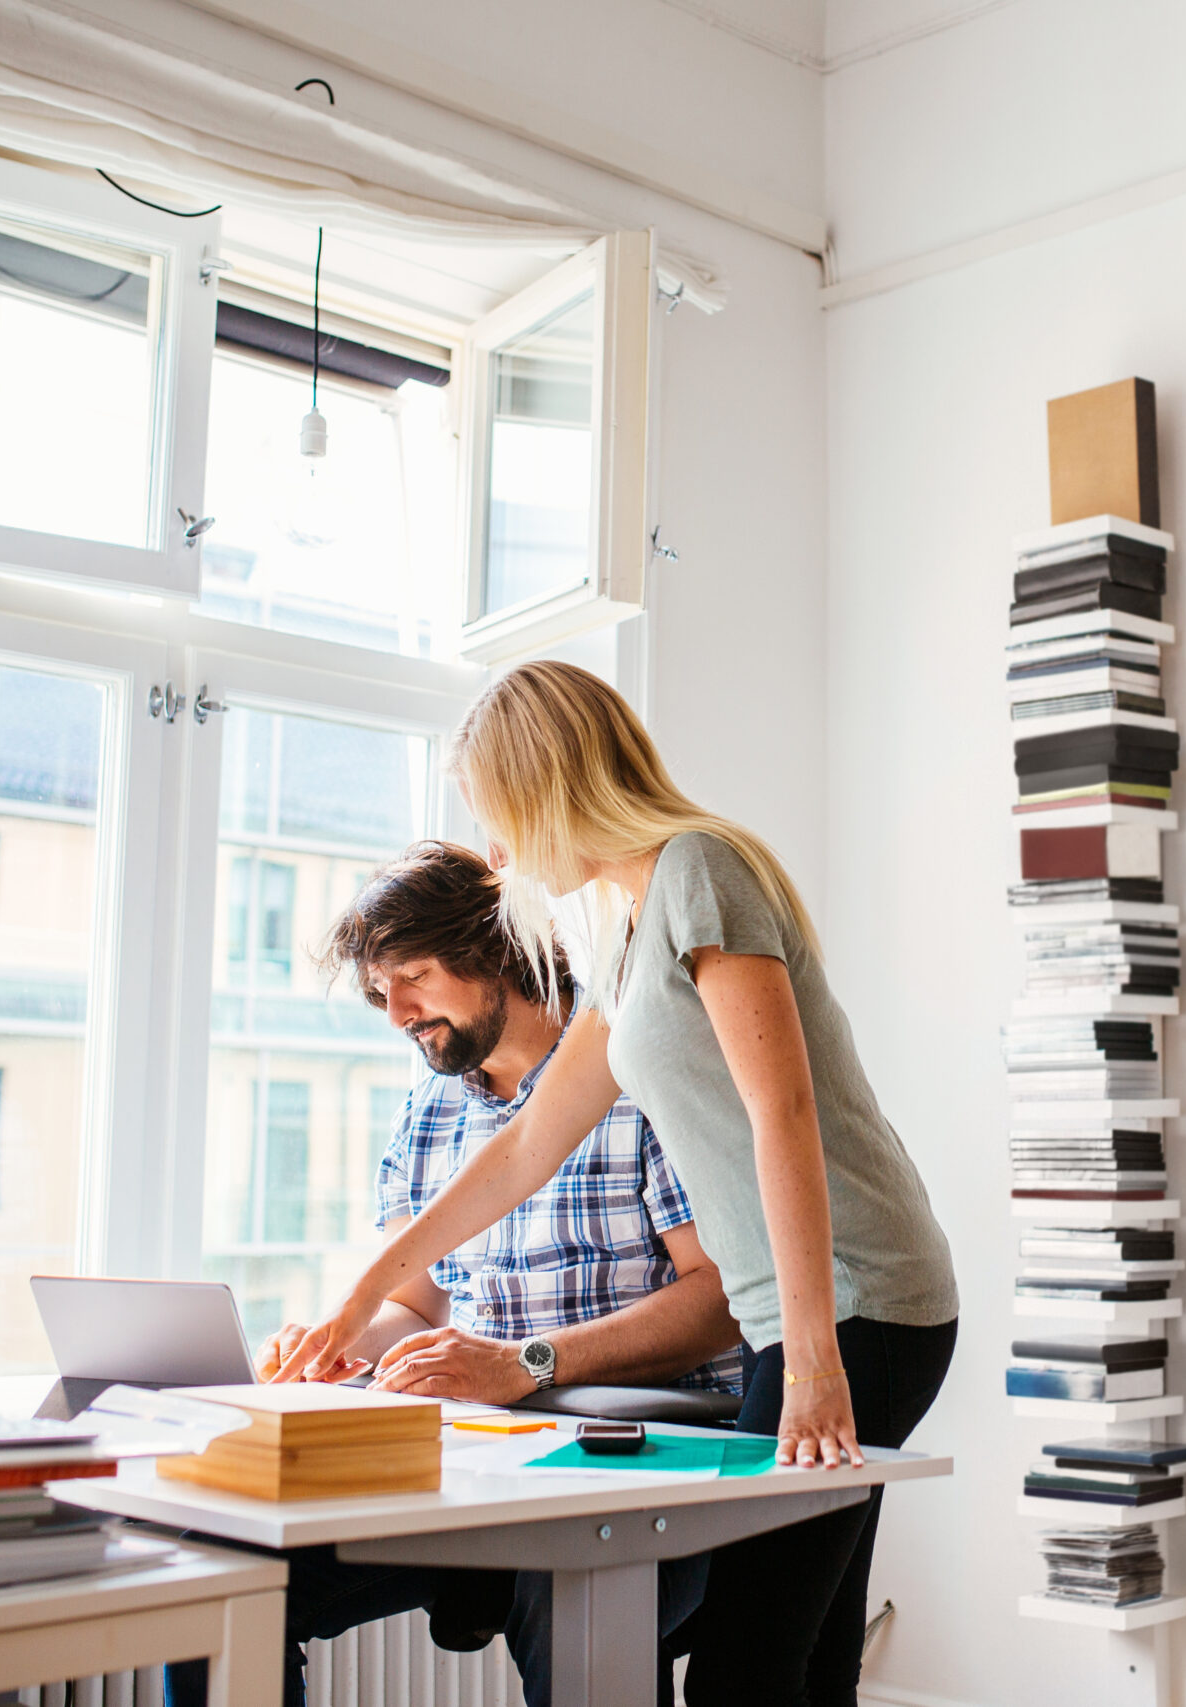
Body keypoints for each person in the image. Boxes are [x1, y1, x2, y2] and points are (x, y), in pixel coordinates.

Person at [277, 660, 961, 1706]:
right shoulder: (633, 934)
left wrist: (814, 1354)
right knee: (800, 1658)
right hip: (815, 1311)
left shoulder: (701, 869)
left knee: (745, 1667)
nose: (498, 850)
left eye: (497, 814)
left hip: (857, 1303)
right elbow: (517, 1152)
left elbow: (784, 1115)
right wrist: (355, 1302)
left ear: (547, 782)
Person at [172, 839, 746, 1707]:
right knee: (218, 1581)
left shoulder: (636, 1066)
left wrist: (525, 1363)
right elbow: (413, 1303)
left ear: (492, 951)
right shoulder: (431, 1102)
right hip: (481, 1455)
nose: (397, 1010)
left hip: (638, 1449)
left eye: (415, 976)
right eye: (381, 990)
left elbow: (718, 1303)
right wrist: (341, 1343)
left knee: (565, 1592)